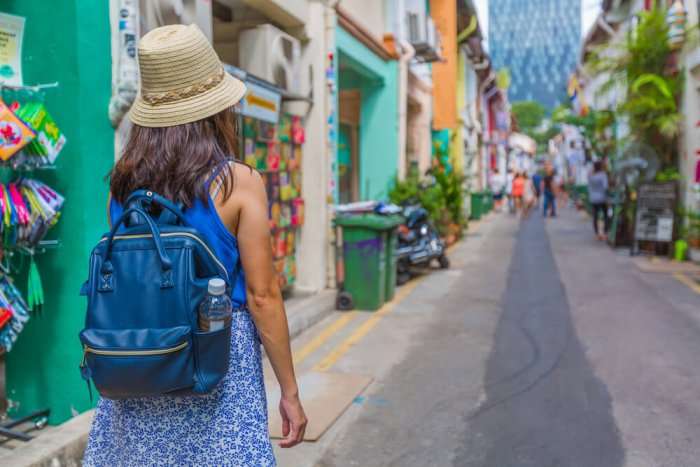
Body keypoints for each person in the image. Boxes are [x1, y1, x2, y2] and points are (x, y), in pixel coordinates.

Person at [82, 25, 307, 466]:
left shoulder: (122, 187)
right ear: (216, 108)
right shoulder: (237, 183)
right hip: (216, 364)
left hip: (143, 360)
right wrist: (290, 392)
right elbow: (262, 297)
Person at [588, 160, 610, 240]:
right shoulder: (603, 175)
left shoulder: (590, 175)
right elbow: (605, 187)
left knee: (595, 216)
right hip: (602, 198)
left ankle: (597, 234)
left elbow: (589, 186)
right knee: (605, 215)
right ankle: (604, 233)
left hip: (593, 198)